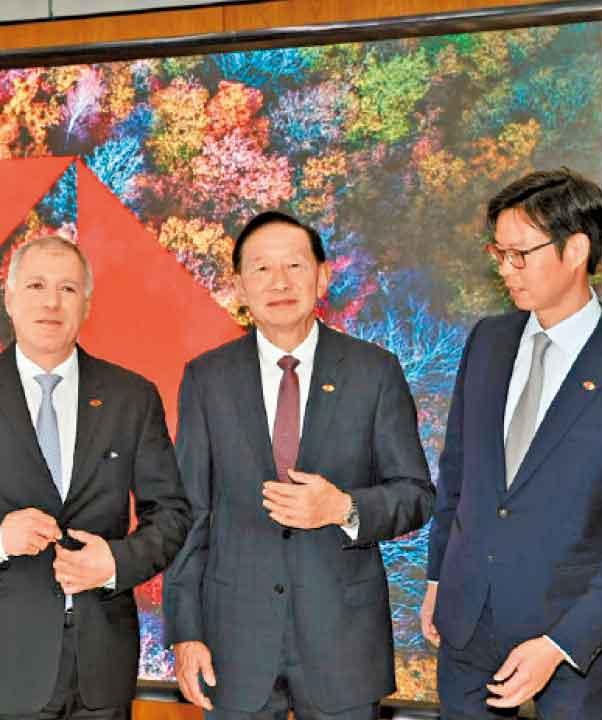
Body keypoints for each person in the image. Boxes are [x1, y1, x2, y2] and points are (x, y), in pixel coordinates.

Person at [0, 235, 190, 720]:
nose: (51, 302)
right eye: (36, 286)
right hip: (2, 670)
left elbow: (171, 513)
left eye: (67, 289)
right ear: (9, 299)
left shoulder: (131, 397)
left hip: (102, 670)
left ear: (86, 304)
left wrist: (115, 562)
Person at [420, 169, 602, 718]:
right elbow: (459, 472)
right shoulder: (488, 341)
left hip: (569, 642)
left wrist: (560, 643)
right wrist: (438, 576)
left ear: (576, 250)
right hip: (467, 622)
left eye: (520, 254)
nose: (505, 268)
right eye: (499, 253)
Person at [163, 211, 435, 720]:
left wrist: (344, 507)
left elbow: (416, 494)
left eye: (294, 265)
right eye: (262, 268)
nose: (280, 281)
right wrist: (186, 631)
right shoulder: (207, 378)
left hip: (342, 641)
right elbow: (189, 512)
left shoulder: (374, 371)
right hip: (233, 643)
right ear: (240, 286)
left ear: (322, 277)